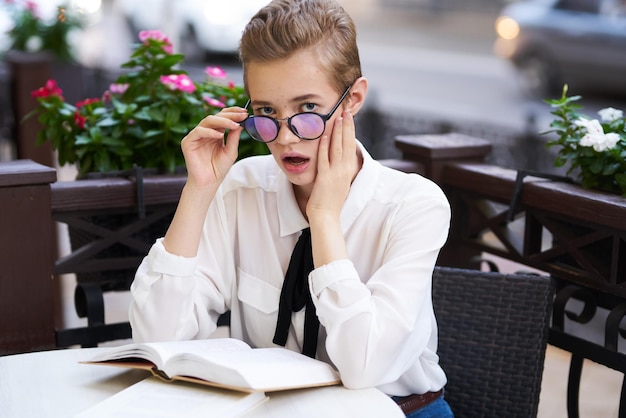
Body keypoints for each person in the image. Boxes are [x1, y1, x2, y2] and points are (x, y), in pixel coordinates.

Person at [129, 0, 454, 416]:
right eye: (266, 112)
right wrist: (199, 189)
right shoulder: (244, 188)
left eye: (307, 110)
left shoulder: (414, 205)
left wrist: (323, 217)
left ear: (352, 99)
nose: (284, 139)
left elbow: (365, 366)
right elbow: (158, 337)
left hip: (397, 409)